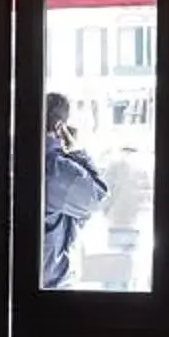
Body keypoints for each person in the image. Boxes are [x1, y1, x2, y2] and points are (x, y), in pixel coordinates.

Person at [40, 91, 108, 290]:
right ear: (60, 127)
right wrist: (78, 151)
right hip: (50, 288)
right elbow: (99, 198)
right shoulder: (57, 170)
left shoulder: (10, 158)